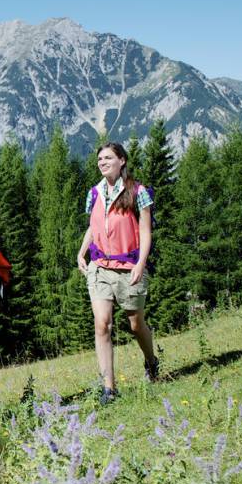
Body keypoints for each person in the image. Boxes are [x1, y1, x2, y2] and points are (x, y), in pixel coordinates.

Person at [76, 142, 161, 404]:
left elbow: (145, 231)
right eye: (99, 159)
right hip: (100, 267)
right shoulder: (94, 193)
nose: (102, 162)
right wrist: (82, 252)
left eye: (108, 158)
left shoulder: (137, 191)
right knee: (102, 324)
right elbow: (94, 227)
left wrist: (141, 264)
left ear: (122, 160)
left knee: (136, 324)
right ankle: (109, 388)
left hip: (129, 267)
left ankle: (151, 361)